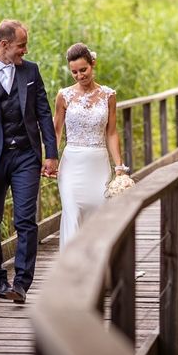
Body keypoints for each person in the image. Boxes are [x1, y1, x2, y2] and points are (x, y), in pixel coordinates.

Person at [0, 19, 58, 304]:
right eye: (21, 46)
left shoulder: (31, 71)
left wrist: (51, 153)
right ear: (4, 45)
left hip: (26, 156)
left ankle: (21, 283)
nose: (25, 51)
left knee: (26, 219)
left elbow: (44, 112)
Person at [53, 43, 129, 252]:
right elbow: (56, 131)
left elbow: (111, 132)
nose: (79, 75)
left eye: (83, 70)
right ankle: (71, 268)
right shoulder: (64, 96)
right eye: (74, 72)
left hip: (98, 163)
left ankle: (98, 265)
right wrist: (49, 159)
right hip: (71, 164)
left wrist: (119, 166)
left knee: (98, 213)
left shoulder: (108, 95)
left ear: (92, 63)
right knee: (72, 211)